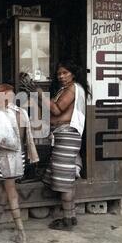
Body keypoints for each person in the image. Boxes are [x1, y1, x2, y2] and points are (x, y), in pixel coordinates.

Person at [20, 60, 90, 231]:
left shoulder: (73, 88)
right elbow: (52, 113)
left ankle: (67, 221)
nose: (61, 76)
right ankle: (71, 217)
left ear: (73, 73)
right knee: (65, 178)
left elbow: (57, 109)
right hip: (64, 135)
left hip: (67, 136)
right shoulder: (66, 89)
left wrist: (37, 92)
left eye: (65, 73)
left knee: (64, 180)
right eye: (59, 73)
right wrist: (36, 95)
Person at [0, 84, 39, 243]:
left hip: (6, 158)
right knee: (3, 189)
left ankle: (21, 232)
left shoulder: (0, 115)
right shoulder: (21, 113)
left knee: (10, 192)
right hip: (19, 156)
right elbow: (26, 138)